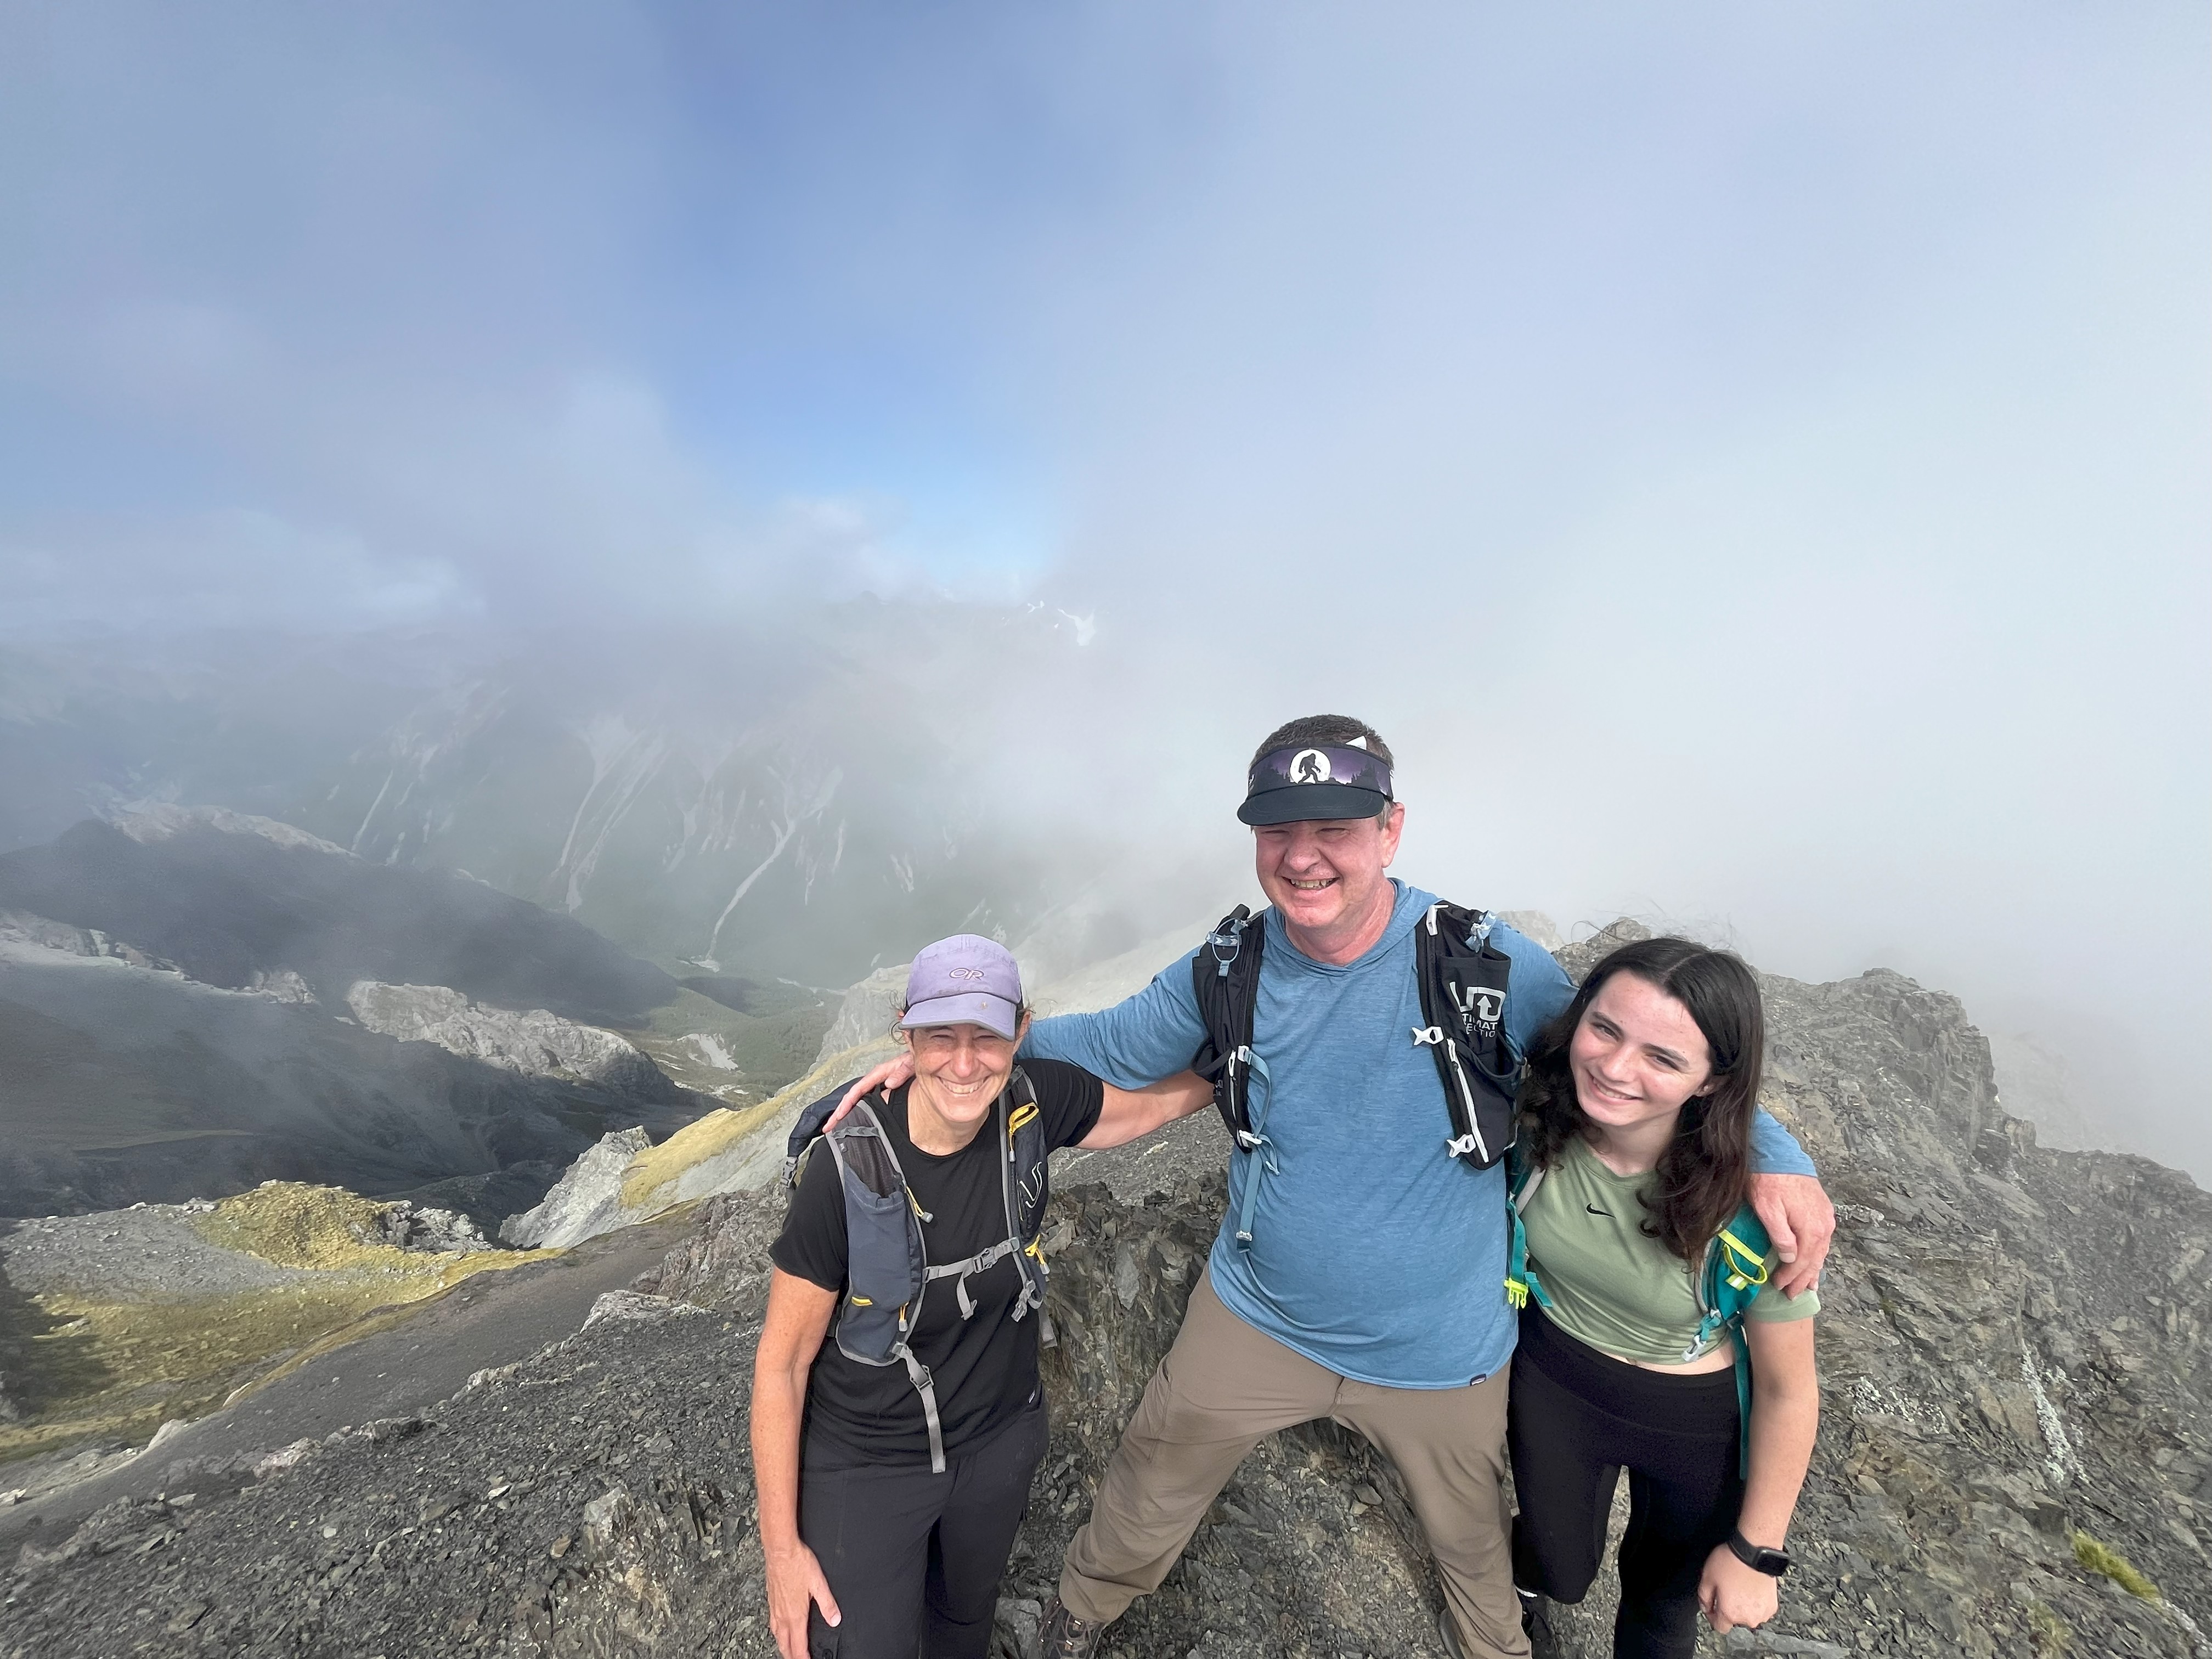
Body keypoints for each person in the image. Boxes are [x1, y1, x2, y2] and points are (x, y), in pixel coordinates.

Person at [833, 715, 1836, 1659]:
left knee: (1480, 1556)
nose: (1303, 855)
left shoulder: (1478, 964)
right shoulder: (1230, 967)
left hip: (1441, 1349)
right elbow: (1108, 1044)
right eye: (1279, 830)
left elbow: (1627, 1054)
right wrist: (961, 1054)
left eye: (1336, 830)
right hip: (1260, 1315)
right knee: (1152, 1472)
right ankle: (1076, 1615)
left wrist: (1777, 1157)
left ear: (1390, 831)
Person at [751, 934, 1213, 1659]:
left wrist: (1233, 1073)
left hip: (1001, 1442)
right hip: (869, 1461)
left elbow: (1144, 1112)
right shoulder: (843, 1172)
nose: (964, 1064)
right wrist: (782, 1552)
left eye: (986, 1037)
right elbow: (781, 1366)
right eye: (940, 1037)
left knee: (964, 1626)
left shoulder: (1034, 1104)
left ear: (1019, 1033)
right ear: (906, 1032)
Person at [1503, 937, 1819, 1659]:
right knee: (1559, 1567)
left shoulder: (1757, 1213)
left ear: (1711, 1081)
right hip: (1555, 1377)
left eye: (1664, 1058)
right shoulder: (1531, 1122)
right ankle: (1522, 1589)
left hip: (1694, 1426)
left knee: (1661, 1610)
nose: (1614, 1069)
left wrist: (1756, 1551)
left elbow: (1787, 1388)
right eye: (1605, 1029)